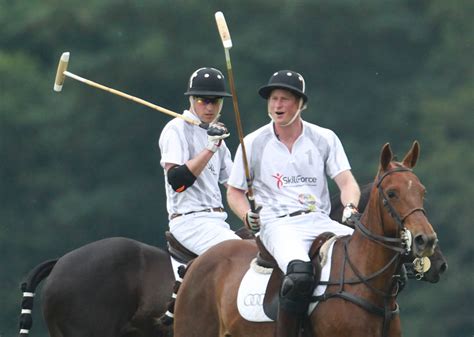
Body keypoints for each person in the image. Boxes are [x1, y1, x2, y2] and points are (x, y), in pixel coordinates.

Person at [226, 70, 361, 337]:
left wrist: (351, 208)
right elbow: (234, 192)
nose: (277, 105)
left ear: (300, 104)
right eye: (273, 99)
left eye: (285, 99)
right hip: (277, 223)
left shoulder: (324, 138)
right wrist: (246, 216)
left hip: (319, 220)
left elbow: (347, 183)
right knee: (299, 274)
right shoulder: (252, 143)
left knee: (365, 256)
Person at [157, 67, 241, 324]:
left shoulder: (217, 134)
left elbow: (234, 184)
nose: (209, 106)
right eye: (203, 100)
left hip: (217, 220)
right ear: (191, 100)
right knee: (239, 255)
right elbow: (178, 182)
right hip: (189, 221)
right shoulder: (175, 130)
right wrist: (209, 148)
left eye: (215, 101)